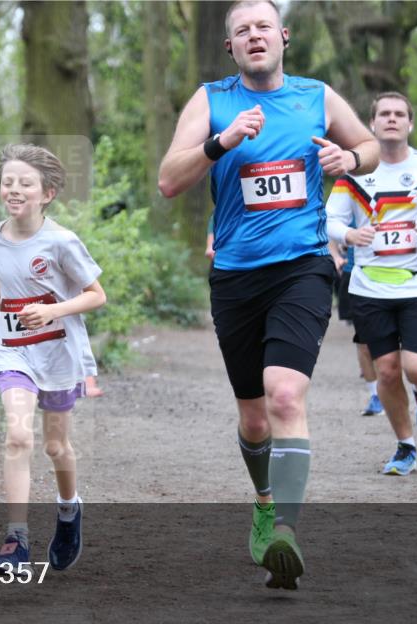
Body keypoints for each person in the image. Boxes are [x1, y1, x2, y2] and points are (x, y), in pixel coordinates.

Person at [157, 0, 379, 590]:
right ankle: (262, 501)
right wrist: (221, 142)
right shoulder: (211, 101)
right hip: (235, 274)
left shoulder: (317, 96)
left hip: (302, 267)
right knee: (254, 419)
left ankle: (286, 528)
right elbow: (169, 181)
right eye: (241, 31)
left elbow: (370, 148)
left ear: (283, 37)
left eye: (263, 27)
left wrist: (349, 157)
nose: (254, 36)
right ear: (230, 47)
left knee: (285, 397)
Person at [0, 143, 106, 572]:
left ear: (47, 193)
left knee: (55, 445)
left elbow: (96, 296)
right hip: (11, 350)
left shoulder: (62, 241)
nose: (14, 189)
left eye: (25, 183)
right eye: (7, 182)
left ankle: (69, 509)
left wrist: (51, 310)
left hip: (58, 352)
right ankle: (17, 540)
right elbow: (3, 272)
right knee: (17, 436)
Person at [326, 91, 417, 476]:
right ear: (372, 124)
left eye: (399, 113)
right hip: (370, 287)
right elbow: (331, 219)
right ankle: (406, 447)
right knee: (386, 371)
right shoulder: (355, 174)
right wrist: (349, 236)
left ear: (410, 124)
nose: (391, 119)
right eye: (383, 113)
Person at [328, 234, 382, 416]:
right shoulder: (353, 204)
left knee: (394, 342)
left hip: (396, 275)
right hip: (357, 274)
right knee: (364, 342)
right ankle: (376, 395)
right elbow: (329, 230)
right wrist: (335, 256)